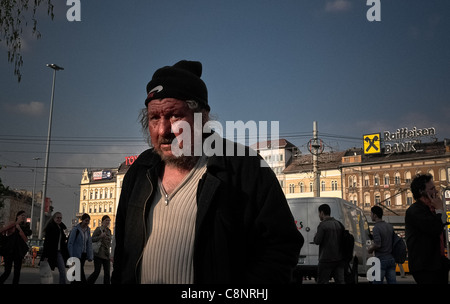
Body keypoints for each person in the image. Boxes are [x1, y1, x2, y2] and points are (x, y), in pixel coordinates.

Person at [111, 60, 303, 284]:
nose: (163, 130)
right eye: (154, 118)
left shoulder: (242, 167)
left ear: (203, 118)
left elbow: (280, 248)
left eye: (174, 116)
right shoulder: (140, 171)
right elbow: (124, 251)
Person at [405, 173, 449, 284]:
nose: (436, 191)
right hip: (425, 267)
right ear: (421, 191)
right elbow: (435, 228)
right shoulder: (415, 211)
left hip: (437, 264)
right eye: (432, 188)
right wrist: (439, 210)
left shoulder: (431, 209)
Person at [313, 204, 344, 284]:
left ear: (322, 213)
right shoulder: (339, 224)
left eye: (319, 213)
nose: (319, 215)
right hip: (339, 259)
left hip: (326, 259)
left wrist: (315, 235)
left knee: (323, 281)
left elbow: (317, 241)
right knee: (340, 281)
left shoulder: (323, 225)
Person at [0, 210, 32, 284]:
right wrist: (15, 224)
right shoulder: (12, 224)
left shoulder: (25, 227)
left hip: (19, 251)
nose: (23, 217)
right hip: (9, 250)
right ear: (18, 216)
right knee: (7, 271)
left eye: (25, 216)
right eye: (22, 215)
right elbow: (3, 230)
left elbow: (25, 239)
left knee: (17, 272)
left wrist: (19, 229)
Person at [368, 205, 396, 284]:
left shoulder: (376, 227)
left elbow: (378, 244)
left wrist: (370, 249)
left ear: (375, 215)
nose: (370, 215)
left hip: (381, 260)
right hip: (391, 259)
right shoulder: (389, 226)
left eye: (371, 214)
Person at [41, 212, 70, 284]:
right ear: (54, 218)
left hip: (59, 252)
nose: (59, 219)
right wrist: (45, 255)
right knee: (47, 272)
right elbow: (47, 242)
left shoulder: (62, 226)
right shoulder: (50, 227)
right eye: (57, 218)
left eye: (60, 218)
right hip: (51, 252)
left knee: (63, 270)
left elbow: (67, 235)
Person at [68, 213, 93, 283]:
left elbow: (89, 243)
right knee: (80, 271)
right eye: (86, 221)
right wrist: (71, 256)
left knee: (77, 272)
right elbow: (70, 243)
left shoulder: (88, 230)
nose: (87, 223)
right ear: (82, 220)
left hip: (84, 254)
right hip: (76, 254)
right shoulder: (76, 229)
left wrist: (90, 255)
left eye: (88, 221)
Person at [87, 215, 112, 284]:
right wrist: (100, 236)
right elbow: (92, 239)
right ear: (102, 221)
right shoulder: (98, 229)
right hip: (98, 254)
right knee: (97, 272)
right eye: (106, 220)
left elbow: (109, 243)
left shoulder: (109, 231)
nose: (107, 222)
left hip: (106, 255)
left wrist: (110, 255)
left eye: (109, 220)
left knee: (107, 273)